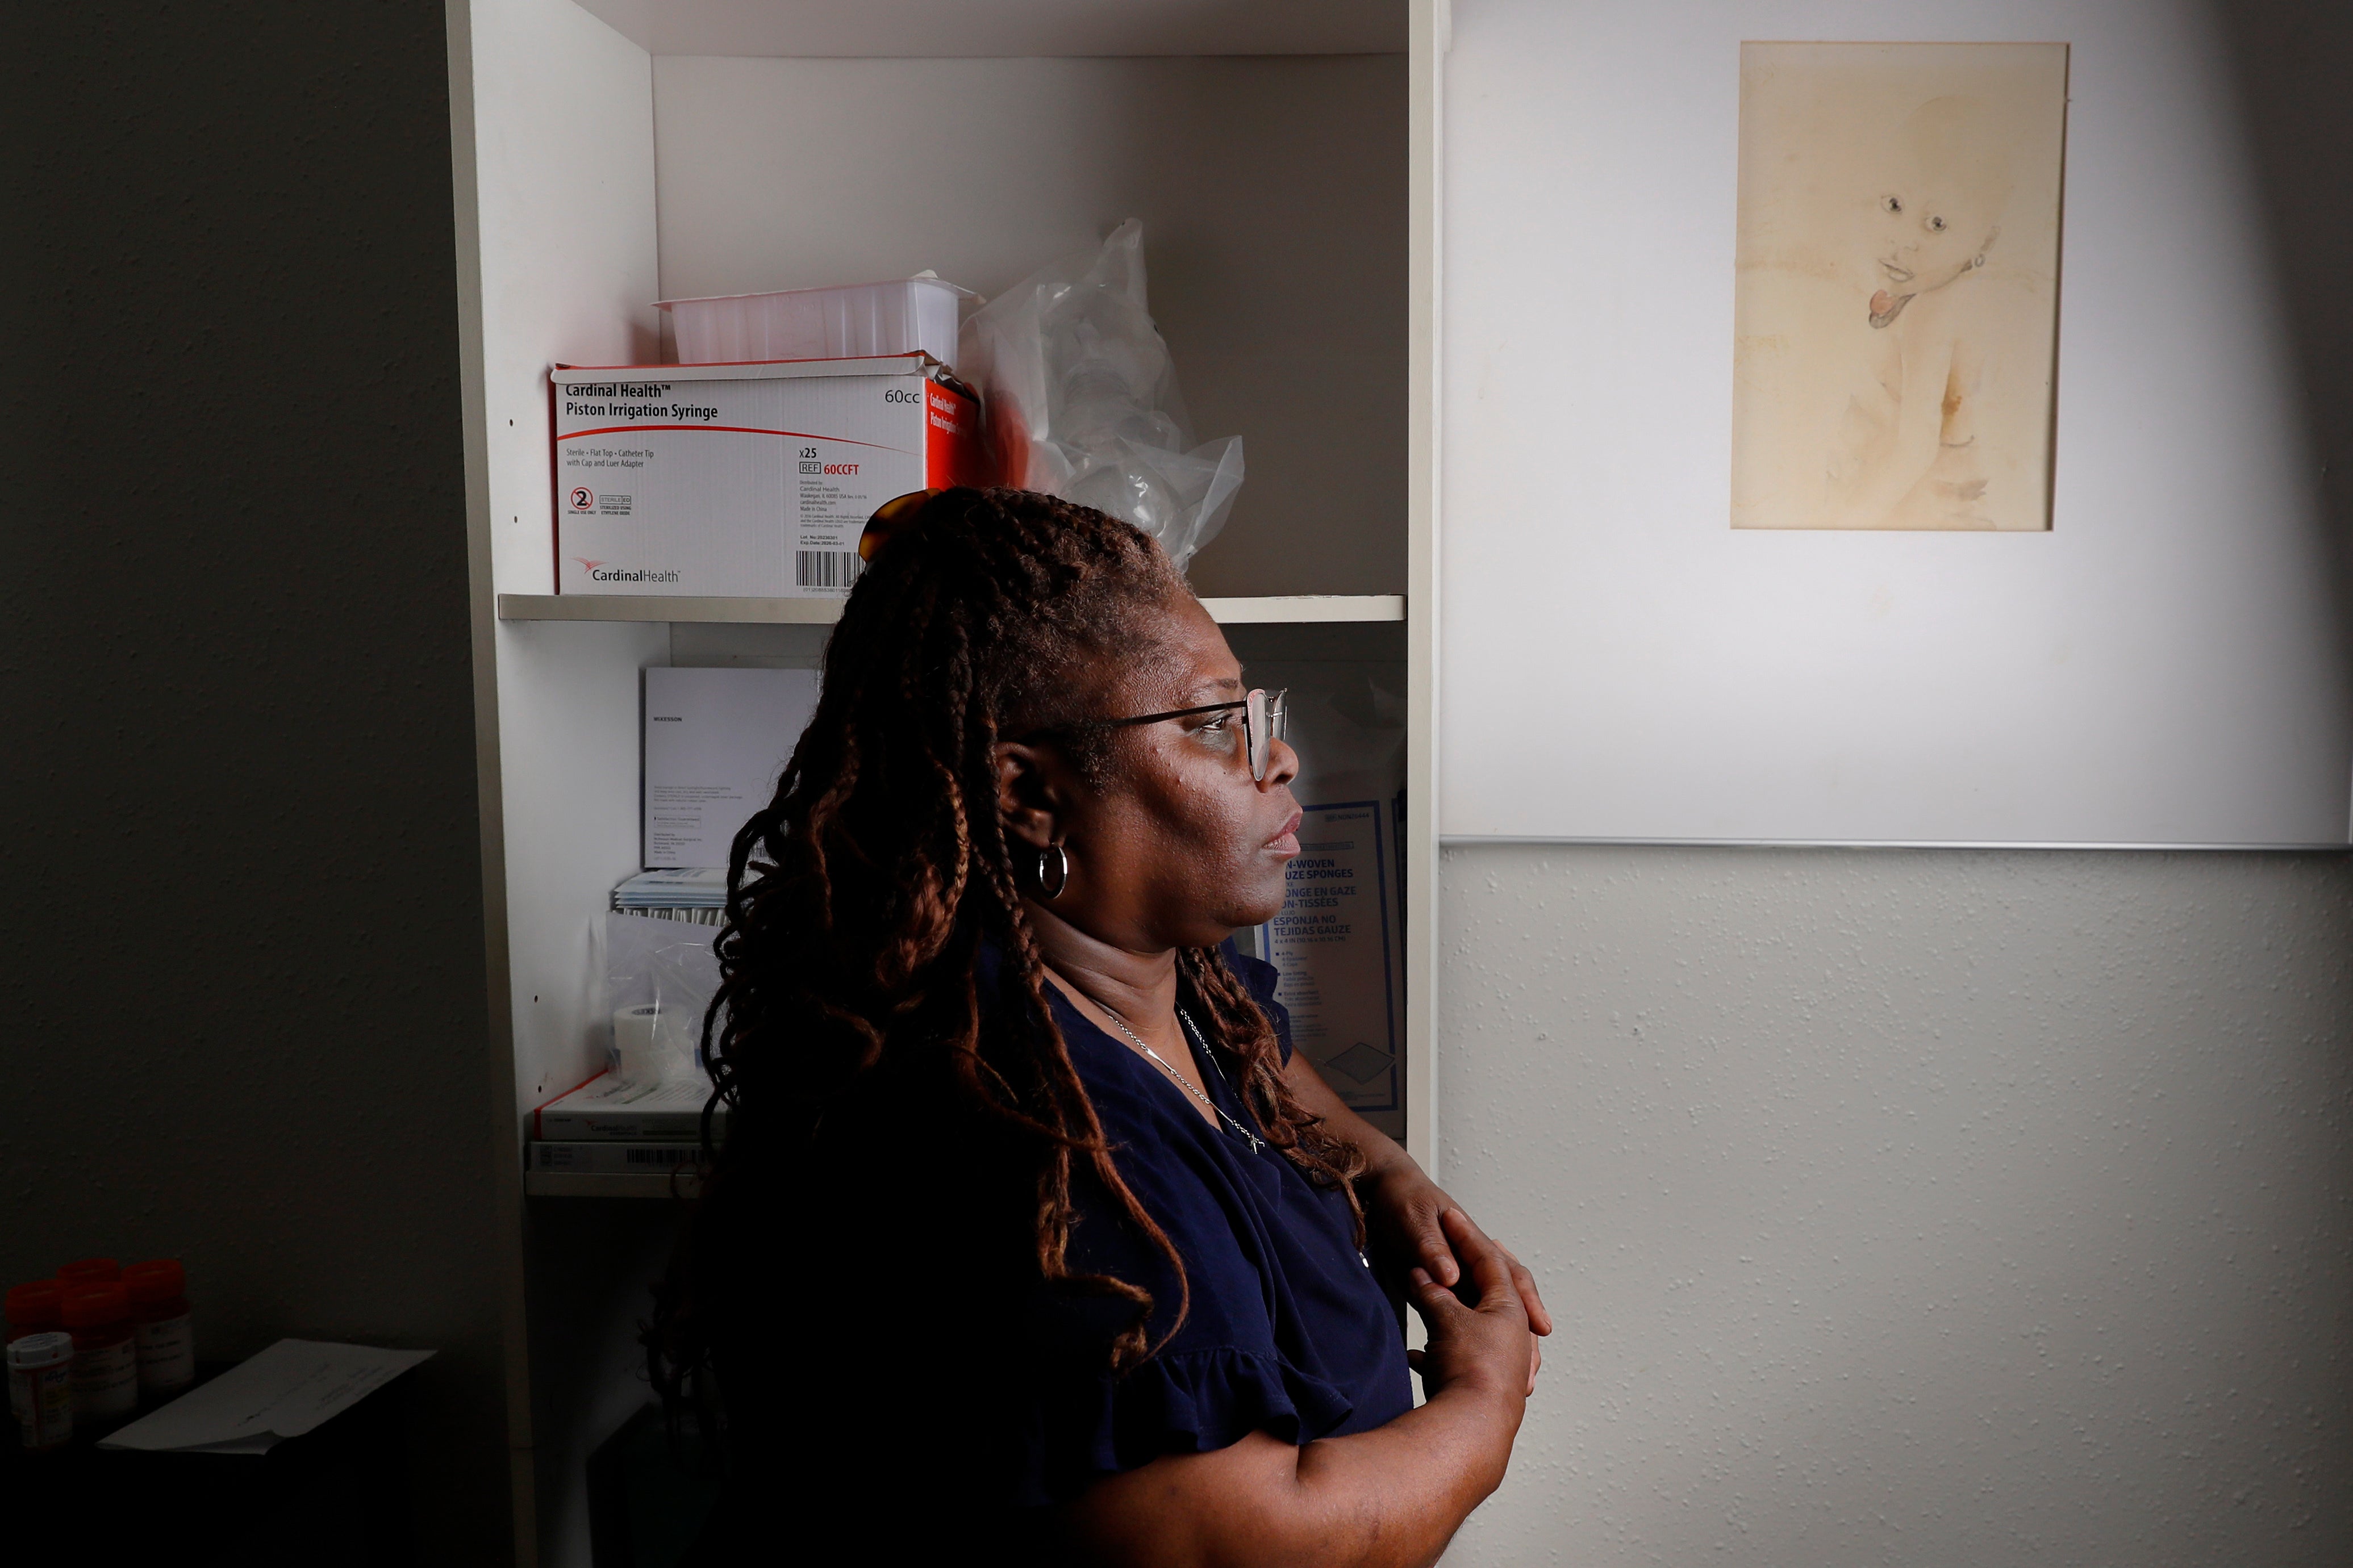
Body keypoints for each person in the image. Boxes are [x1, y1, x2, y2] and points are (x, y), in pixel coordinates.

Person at [657, 487, 1549, 1565]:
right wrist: (1485, 1395)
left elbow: (1263, 1061)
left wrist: (1384, 1169)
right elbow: (1266, 1549)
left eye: (1255, 717)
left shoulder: (1156, 981)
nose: (1277, 760)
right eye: (1215, 726)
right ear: (1029, 795)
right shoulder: (1037, 1137)